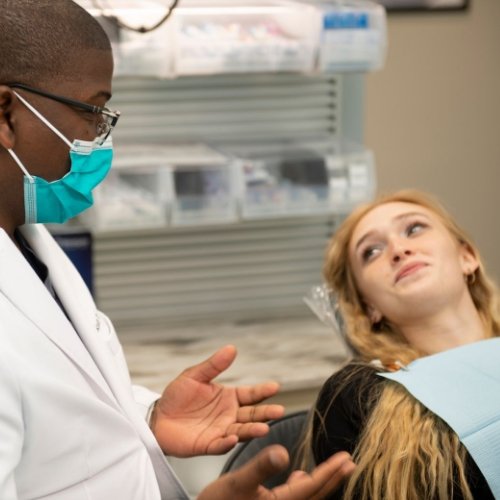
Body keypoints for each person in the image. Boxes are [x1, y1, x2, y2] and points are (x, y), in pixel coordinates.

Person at [0, 1, 355, 499]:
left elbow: (60, 423)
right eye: (90, 111)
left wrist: (147, 414)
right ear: (6, 114)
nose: (100, 140)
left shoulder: (30, 243)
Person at [305, 189, 498, 499]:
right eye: (371, 251)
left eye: (414, 229)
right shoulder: (361, 397)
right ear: (369, 307)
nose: (397, 250)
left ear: (467, 257)